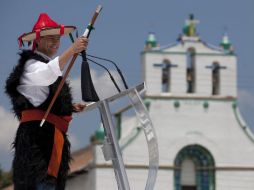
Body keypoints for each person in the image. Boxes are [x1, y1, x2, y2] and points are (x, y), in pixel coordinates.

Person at [5, 13, 88, 190]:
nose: (56, 42)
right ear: (38, 40)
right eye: (50, 38)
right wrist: (72, 50)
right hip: (37, 144)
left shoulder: (44, 63)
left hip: (51, 143)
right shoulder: (31, 64)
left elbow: (40, 98)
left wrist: (69, 108)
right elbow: (45, 75)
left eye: (57, 38)